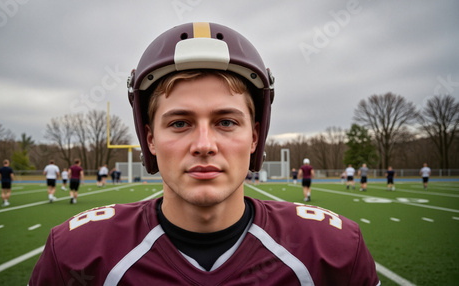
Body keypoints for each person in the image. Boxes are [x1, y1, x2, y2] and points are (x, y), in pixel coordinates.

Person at [30, 22, 379, 285]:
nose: (204, 144)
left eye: (226, 121)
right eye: (180, 123)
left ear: (255, 137)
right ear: (150, 139)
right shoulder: (76, 253)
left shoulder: (333, 252)